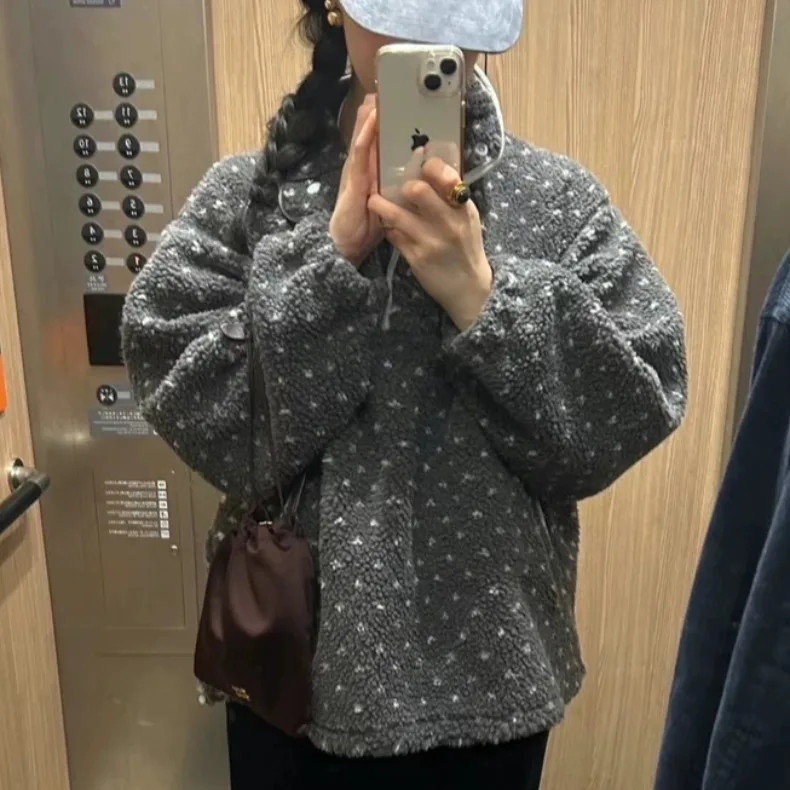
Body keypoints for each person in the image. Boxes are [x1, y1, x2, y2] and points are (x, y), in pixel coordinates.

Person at [121, 0, 688, 787]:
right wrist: (330, 261)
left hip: (490, 692)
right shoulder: (249, 196)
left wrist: (485, 298)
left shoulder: (556, 202)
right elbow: (184, 387)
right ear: (332, 8)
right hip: (292, 682)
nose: (426, 28)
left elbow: (635, 403)